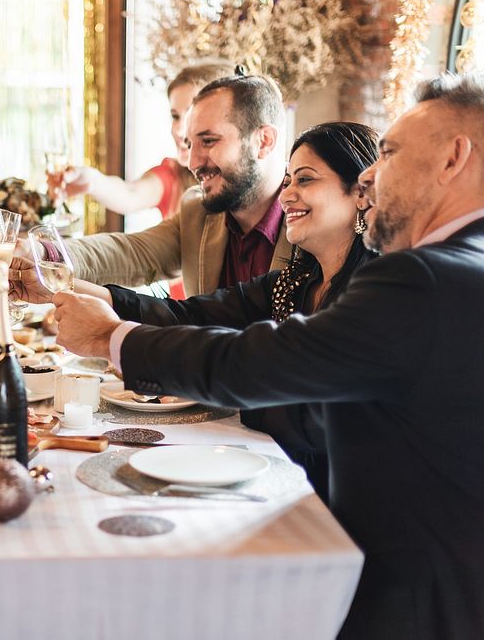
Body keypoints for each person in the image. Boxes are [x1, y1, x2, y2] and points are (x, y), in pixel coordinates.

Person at [51, 73, 484, 637]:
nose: (372, 177)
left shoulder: (421, 278)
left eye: (391, 153)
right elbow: (206, 314)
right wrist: (101, 310)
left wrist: (111, 339)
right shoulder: (448, 266)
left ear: (454, 158)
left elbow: (267, 362)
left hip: (420, 597)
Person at [17, 122, 379, 501]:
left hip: (343, 500)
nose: (287, 195)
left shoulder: (373, 293)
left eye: (304, 180)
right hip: (277, 481)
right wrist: (60, 288)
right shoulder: (294, 282)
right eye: (287, 181)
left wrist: (110, 336)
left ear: (360, 191)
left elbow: (309, 413)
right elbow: (188, 316)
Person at [56, 74, 292, 295]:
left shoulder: (316, 220)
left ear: (264, 141)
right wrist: (44, 254)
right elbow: (130, 254)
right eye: (190, 144)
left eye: (208, 141)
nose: (193, 163)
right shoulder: (197, 212)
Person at [48, 61, 234, 219]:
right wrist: (91, 181)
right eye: (175, 116)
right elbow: (130, 194)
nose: (179, 130)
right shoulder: (172, 175)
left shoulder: (239, 190)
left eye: (191, 117)